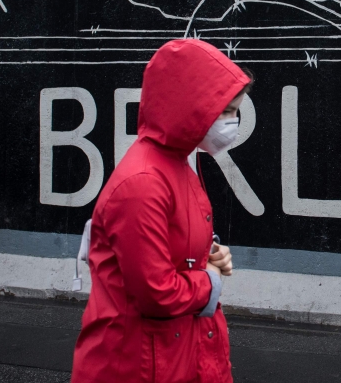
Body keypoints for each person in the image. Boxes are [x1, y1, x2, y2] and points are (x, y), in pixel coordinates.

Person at [71, 38, 251, 383]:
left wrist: (207, 255)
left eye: (236, 111)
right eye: (226, 110)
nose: (232, 122)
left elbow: (172, 247)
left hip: (166, 355)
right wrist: (209, 281)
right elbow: (156, 293)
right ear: (191, 106)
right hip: (137, 365)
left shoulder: (179, 162)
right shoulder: (144, 183)